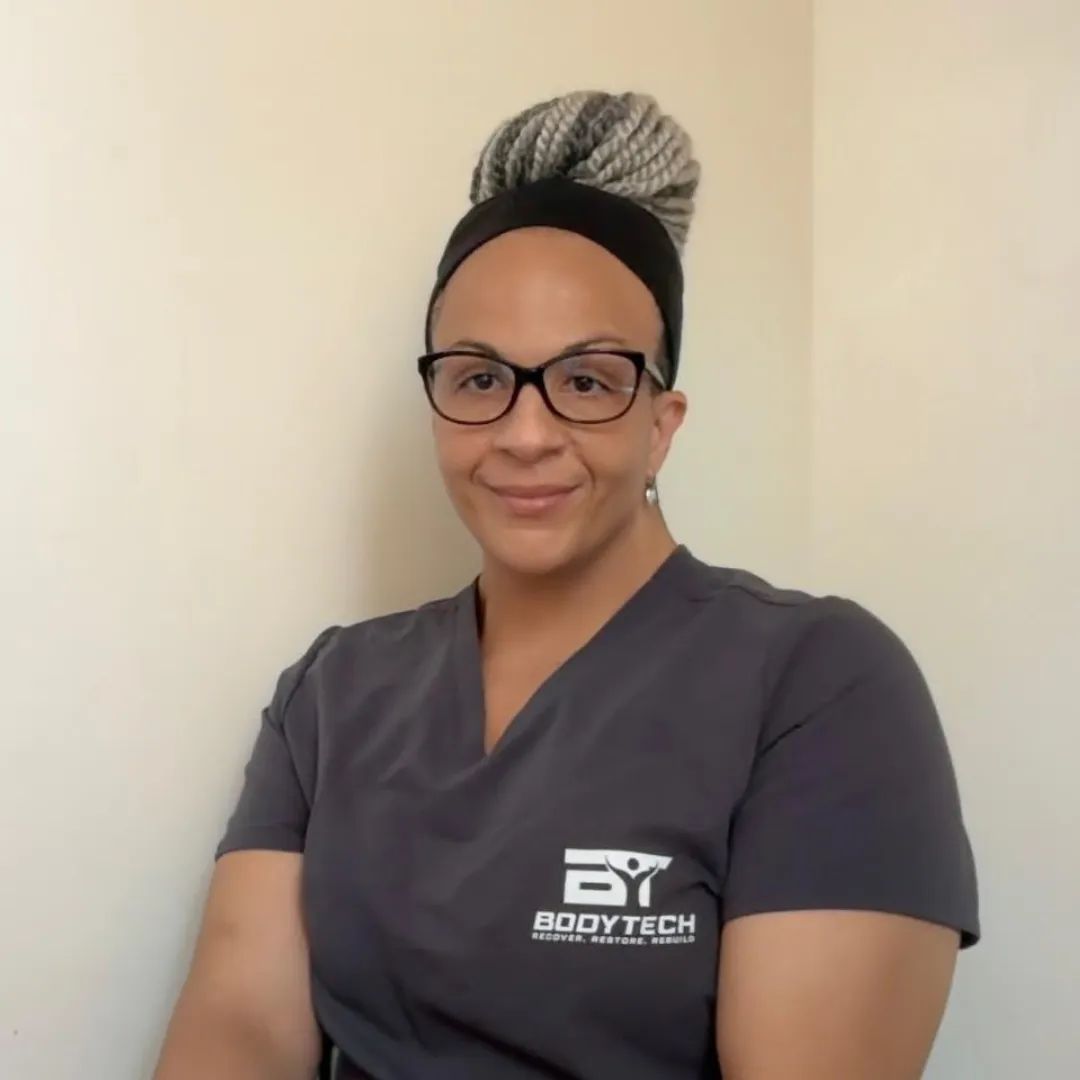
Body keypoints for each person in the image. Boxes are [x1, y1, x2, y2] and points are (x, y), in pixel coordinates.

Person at [153, 91, 979, 1080]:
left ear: (661, 421)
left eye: (588, 381)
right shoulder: (333, 692)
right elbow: (238, 1026)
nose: (526, 431)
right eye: (477, 377)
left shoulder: (816, 684)